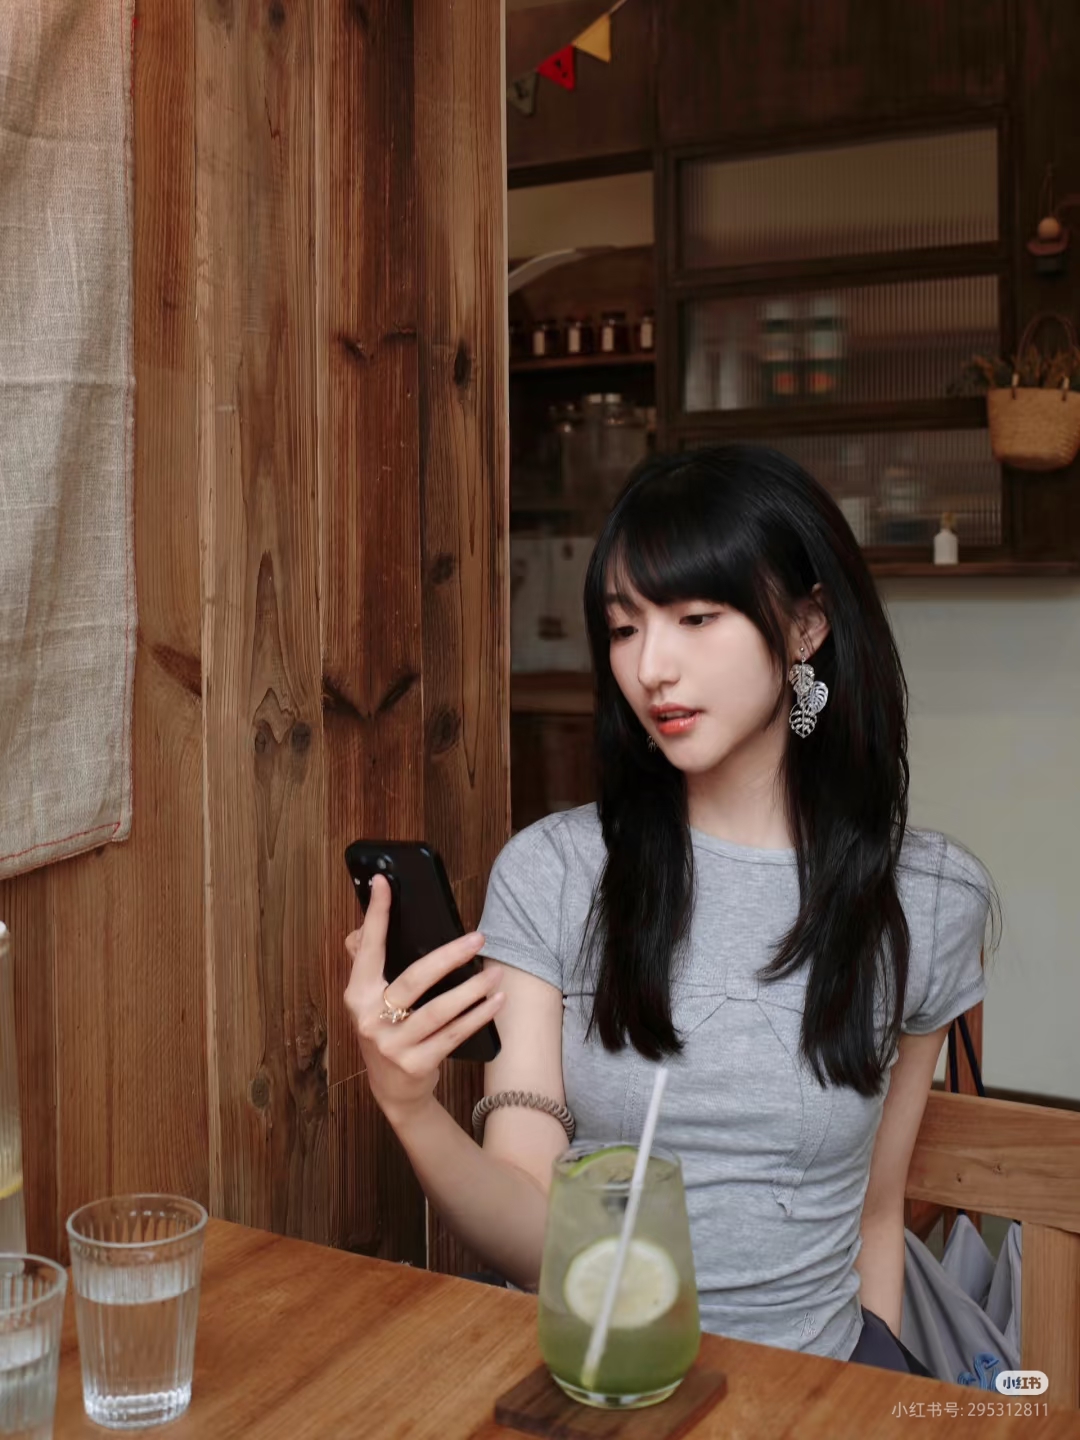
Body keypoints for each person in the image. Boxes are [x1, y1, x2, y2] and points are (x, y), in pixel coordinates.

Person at [344, 444, 991, 1375]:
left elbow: (876, 1215)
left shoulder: (927, 900)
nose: (651, 666)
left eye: (696, 617)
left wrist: (862, 1399)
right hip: (605, 1380)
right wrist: (408, 1106)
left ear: (807, 625)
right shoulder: (556, 871)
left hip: (814, 1386)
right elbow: (533, 1238)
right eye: (623, 627)